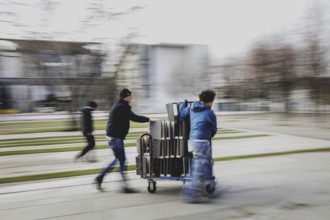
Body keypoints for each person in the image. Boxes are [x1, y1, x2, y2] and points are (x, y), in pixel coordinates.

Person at [94, 88, 150, 193]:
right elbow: (134, 117)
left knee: (118, 160)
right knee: (122, 161)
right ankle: (124, 186)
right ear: (125, 96)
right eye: (130, 96)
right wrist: (149, 119)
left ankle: (100, 178)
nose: (131, 97)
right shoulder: (121, 107)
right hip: (115, 138)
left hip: (114, 137)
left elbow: (131, 116)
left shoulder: (121, 105)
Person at [179, 90, 217, 203]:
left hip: (193, 140)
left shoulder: (192, 109)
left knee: (206, 161)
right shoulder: (210, 113)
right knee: (198, 167)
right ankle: (191, 194)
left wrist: (183, 103)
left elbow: (181, 113)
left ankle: (210, 181)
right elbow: (214, 130)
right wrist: (210, 134)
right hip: (203, 141)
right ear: (210, 101)